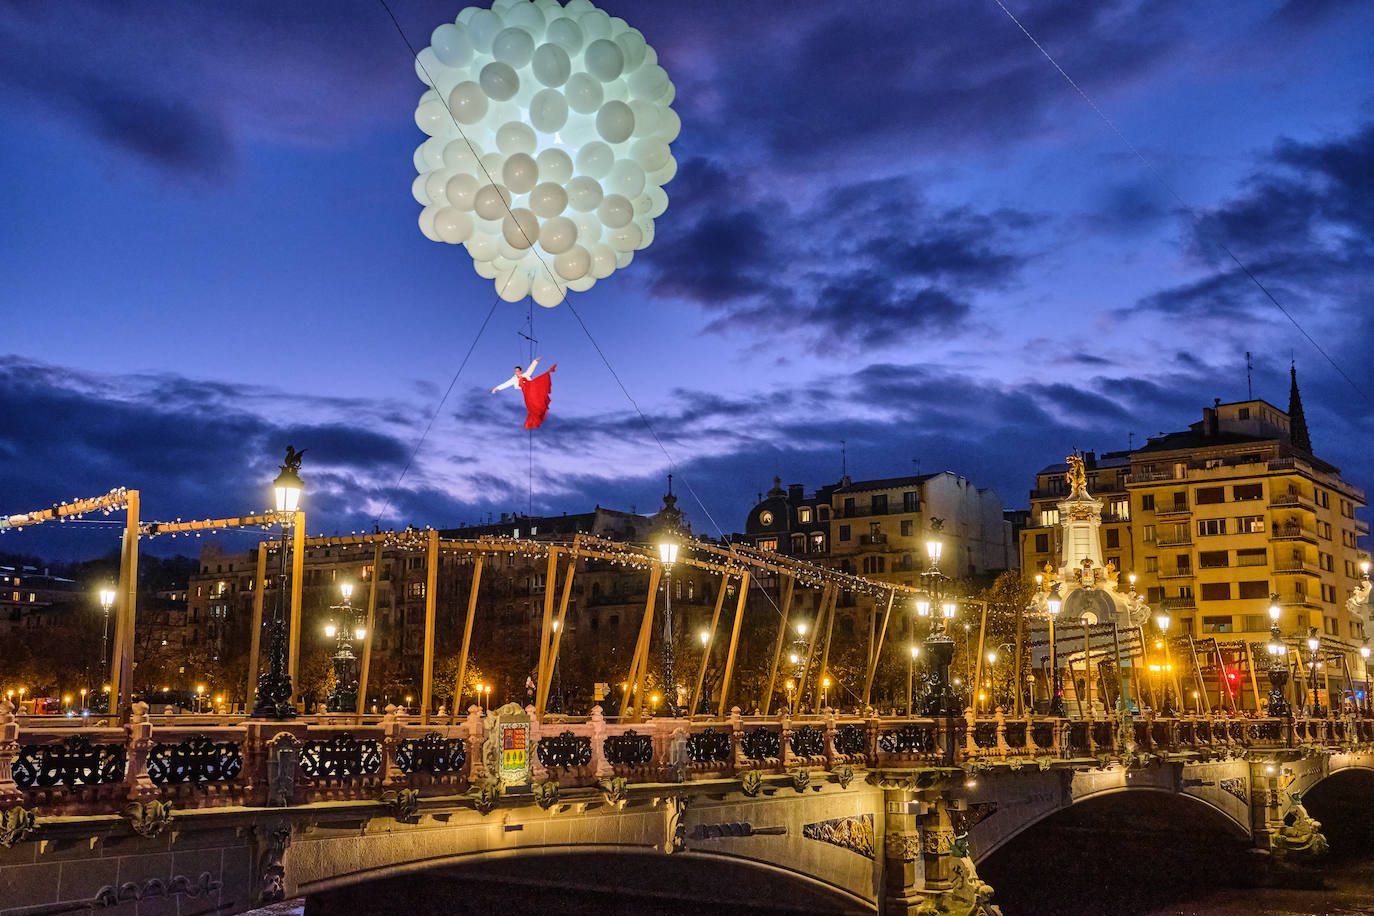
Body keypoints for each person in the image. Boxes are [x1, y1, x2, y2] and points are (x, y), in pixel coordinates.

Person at [492, 357, 557, 429]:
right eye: (515, 371)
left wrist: (535, 361)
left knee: (539, 391)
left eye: (518, 371)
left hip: (532, 388)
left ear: (520, 371)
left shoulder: (525, 375)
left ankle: (548, 372)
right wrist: (496, 388)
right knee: (531, 406)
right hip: (527, 393)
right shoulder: (514, 379)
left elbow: (530, 369)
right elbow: (506, 384)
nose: (516, 372)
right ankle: (536, 415)